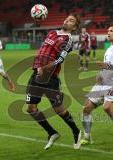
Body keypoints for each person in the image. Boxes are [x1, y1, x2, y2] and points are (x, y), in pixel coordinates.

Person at [26, 14, 81, 150]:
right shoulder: (51, 33)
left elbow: (59, 60)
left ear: (74, 27)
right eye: (66, 19)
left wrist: (44, 68)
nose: (67, 21)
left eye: (71, 21)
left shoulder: (68, 41)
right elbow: (43, 51)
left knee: (58, 110)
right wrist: (37, 65)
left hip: (51, 78)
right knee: (31, 108)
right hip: (36, 75)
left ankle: (76, 131)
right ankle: (52, 133)